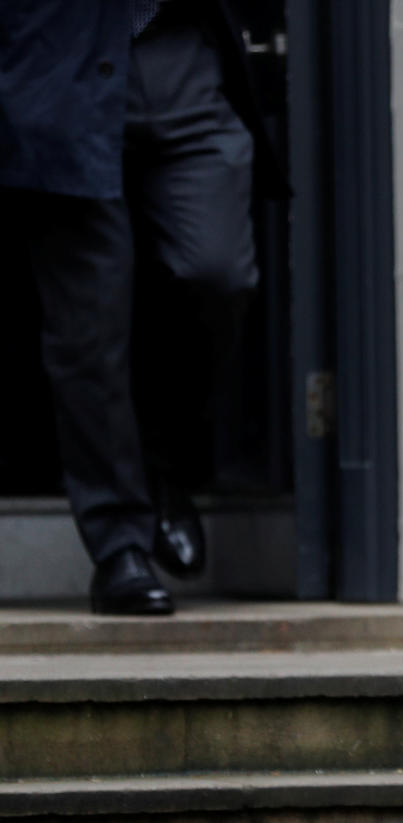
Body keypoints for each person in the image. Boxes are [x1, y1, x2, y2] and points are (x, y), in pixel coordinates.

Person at [0, 0, 287, 614]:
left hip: (179, 52)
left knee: (217, 271)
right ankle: (118, 546)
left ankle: (162, 467)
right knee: (88, 330)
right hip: (57, 69)